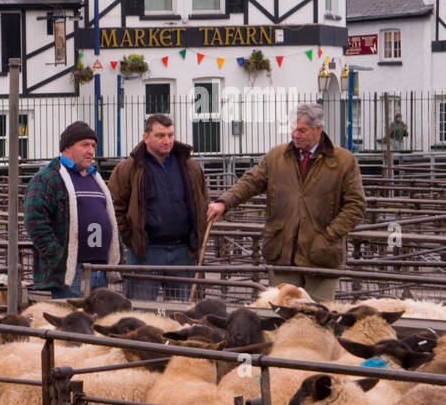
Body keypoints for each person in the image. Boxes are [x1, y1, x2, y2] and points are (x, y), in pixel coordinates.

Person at [208, 102, 365, 303]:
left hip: (322, 256)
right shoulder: (276, 157)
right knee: (281, 313)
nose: (295, 135)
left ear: (319, 129)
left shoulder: (344, 161)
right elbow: (250, 182)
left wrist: (329, 234)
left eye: (302, 130)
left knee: (317, 316)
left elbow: (356, 205)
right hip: (283, 252)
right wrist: (224, 202)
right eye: (293, 129)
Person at [107, 113, 209, 301]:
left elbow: (203, 203)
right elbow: (115, 207)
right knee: (139, 313)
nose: (167, 141)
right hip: (146, 252)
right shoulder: (128, 169)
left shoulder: (190, 168)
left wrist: (194, 242)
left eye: (170, 135)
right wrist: (132, 241)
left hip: (182, 252)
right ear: (146, 138)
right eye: (160, 135)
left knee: (180, 317)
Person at [25, 122, 121, 299]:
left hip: (99, 268)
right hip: (71, 270)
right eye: (85, 145)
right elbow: (34, 220)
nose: (91, 151)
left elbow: (109, 217)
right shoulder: (48, 178)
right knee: (71, 321)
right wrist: (58, 254)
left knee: (96, 322)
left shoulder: (95, 178)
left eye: (93, 145)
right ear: (67, 147)